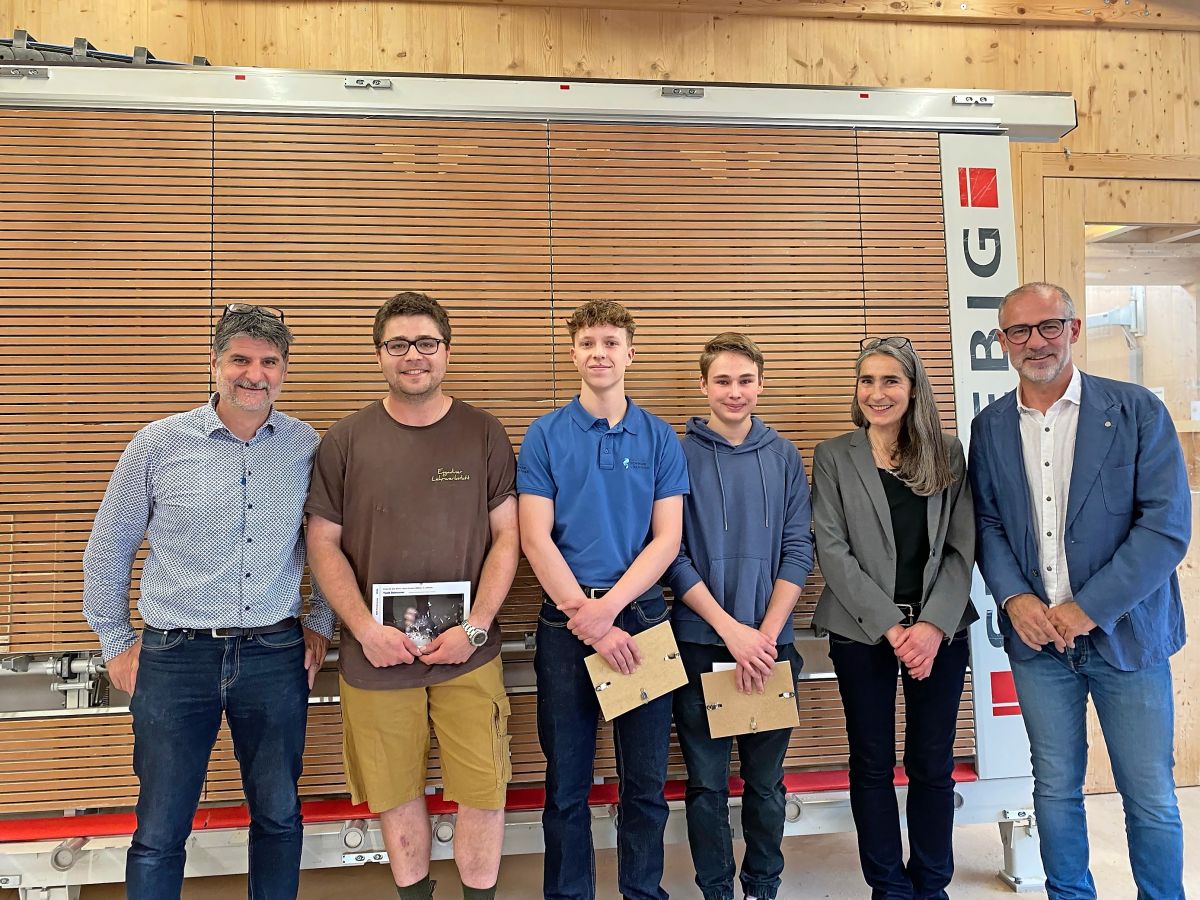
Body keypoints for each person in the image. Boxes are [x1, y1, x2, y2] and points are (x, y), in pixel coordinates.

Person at [82, 304, 332, 900]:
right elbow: (109, 547)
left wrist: (320, 621)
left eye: (269, 362)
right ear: (214, 363)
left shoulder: (306, 446)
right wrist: (115, 641)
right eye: (240, 359)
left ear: (284, 371)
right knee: (160, 828)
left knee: (278, 816)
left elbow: (328, 542)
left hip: (274, 653)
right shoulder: (159, 443)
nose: (255, 374)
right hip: (175, 657)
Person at [969, 281, 1189, 900]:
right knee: (1054, 789)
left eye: (1048, 326)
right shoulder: (989, 427)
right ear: (1003, 341)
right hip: (1039, 645)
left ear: (1074, 328)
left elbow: (1166, 528)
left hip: (1128, 637)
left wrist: (1087, 609)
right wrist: (1014, 598)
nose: (1035, 342)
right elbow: (986, 522)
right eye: (1019, 331)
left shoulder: (1137, 410)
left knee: (1148, 794)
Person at [305, 291, 520, 900]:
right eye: (398, 344)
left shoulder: (484, 433)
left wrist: (476, 626)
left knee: (483, 789)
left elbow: (508, 538)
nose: (413, 356)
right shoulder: (345, 441)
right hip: (376, 654)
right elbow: (322, 543)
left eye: (426, 342)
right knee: (394, 791)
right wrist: (364, 630)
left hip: (468, 652)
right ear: (379, 355)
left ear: (446, 352)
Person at [517, 299, 689, 900]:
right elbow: (534, 538)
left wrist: (609, 612)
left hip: (641, 617)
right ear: (572, 353)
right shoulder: (544, 435)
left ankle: (643, 892)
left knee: (645, 784)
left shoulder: (659, 436)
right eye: (588, 343)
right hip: (564, 623)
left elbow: (667, 540)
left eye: (611, 342)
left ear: (630, 353)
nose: (599, 353)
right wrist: (588, 618)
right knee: (566, 785)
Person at [811, 336, 976, 900]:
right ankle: (888, 887)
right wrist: (892, 627)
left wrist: (930, 626)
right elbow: (832, 549)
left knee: (932, 762)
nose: (876, 393)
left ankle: (930, 885)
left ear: (913, 388)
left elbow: (961, 547)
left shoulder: (947, 453)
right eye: (867, 380)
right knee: (872, 762)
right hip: (860, 630)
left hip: (940, 629)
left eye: (890, 381)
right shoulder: (834, 455)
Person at [664, 333, 813, 900]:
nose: (734, 391)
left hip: (772, 647)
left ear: (760, 385)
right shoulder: (676, 455)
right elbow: (672, 555)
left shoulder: (784, 457)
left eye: (745, 380)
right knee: (706, 785)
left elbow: (798, 550)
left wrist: (764, 637)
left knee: (766, 784)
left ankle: (763, 886)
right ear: (703, 386)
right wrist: (732, 633)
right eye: (722, 380)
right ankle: (716, 890)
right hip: (701, 644)